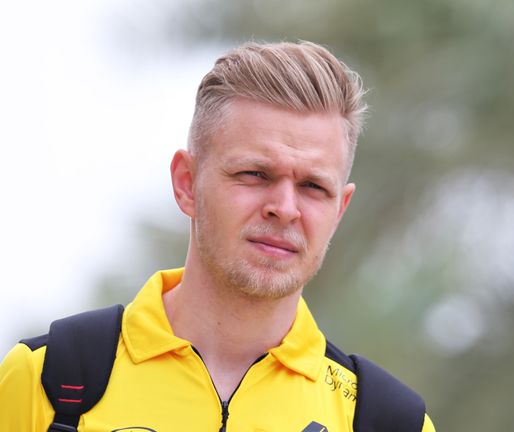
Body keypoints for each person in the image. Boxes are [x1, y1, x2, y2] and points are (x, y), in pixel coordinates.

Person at [0, 41, 435, 431]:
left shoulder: (388, 420)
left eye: (313, 187)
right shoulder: (44, 381)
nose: (284, 208)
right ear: (187, 183)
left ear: (340, 209)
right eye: (254, 174)